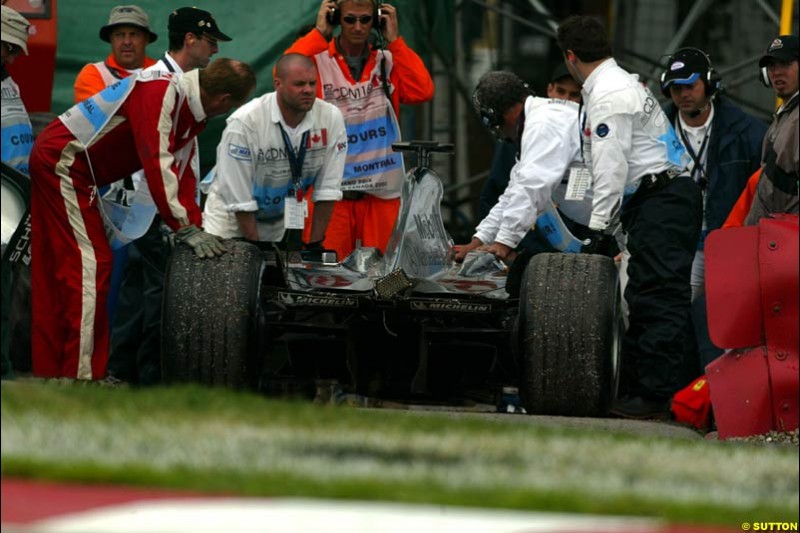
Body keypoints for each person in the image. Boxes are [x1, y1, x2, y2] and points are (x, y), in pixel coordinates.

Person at [29, 58, 256, 381]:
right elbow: (157, 162)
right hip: (63, 164)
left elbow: (183, 176)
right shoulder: (162, 91)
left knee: (60, 268)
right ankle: (81, 378)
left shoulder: (188, 109)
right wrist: (185, 227)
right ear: (223, 101)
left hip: (74, 170)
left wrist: (196, 226)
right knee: (91, 265)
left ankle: (52, 372)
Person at [557, 16, 702, 419]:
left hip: (663, 198)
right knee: (650, 293)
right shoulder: (619, 83)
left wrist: (599, 229)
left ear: (570, 57)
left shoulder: (608, 94)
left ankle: (657, 396)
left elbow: (610, 166)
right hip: (661, 199)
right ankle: (661, 392)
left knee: (657, 296)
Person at [105, 6, 233, 386]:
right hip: (143, 201)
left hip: (154, 204)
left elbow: (186, 160)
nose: (213, 51)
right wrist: (182, 223)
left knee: (138, 291)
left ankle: (119, 374)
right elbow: (156, 159)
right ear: (190, 40)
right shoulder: (159, 81)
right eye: (210, 42)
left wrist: (188, 216)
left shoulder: (182, 83)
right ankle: (143, 379)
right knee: (160, 293)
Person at [286, 0, 434, 258]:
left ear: (376, 21)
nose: (357, 27)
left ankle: (383, 299)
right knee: (327, 280)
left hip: (382, 195)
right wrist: (320, 33)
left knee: (389, 278)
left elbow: (423, 91)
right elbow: (284, 75)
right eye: (349, 19)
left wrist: (396, 41)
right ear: (336, 20)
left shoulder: (388, 60)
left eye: (365, 20)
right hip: (330, 197)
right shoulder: (317, 63)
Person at [203, 54, 347, 243]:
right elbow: (240, 202)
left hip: (275, 223)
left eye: (312, 83)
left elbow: (328, 190)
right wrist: (256, 249)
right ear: (278, 84)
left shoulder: (330, 117)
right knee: (244, 269)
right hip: (229, 223)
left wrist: (315, 244)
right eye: (299, 84)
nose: (308, 90)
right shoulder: (246, 123)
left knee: (276, 270)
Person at [661, 47, 767, 301]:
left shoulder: (749, 133)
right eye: (676, 88)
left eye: (690, 86)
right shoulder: (654, 131)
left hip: (730, 242)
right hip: (674, 242)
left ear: (709, 85)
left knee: (732, 320)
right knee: (671, 310)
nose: (683, 94)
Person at [455, 71, 583, 266]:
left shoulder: (543, 125)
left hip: (633, 212)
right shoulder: (537, 120)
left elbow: (532, 188)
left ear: (495, 116)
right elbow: (513, 193)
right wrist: (478, 241)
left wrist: (503, 244)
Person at [1, 4, 32, 380]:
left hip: (13, 202)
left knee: (7, 291)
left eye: (13, 48)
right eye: (6, 45)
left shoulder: (10, 83)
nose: (10, 54)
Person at [743, 34, 798, 224]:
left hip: (788, 239)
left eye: (785, 64)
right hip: (775, 238)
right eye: (772, 66)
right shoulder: (785, 114)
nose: (777, 72)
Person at [74, 5, 158, 102]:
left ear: (146, 39)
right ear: (111, 39)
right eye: (119, 35)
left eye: (134, 34)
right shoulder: (94, 74)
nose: (127, 42)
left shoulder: (164, 73)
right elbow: (94, 116)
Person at [1, 5, 33, 174]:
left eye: (17, 52)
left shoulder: (10, 83)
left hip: (16, 188)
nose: (12, 60)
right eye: (12, 49)